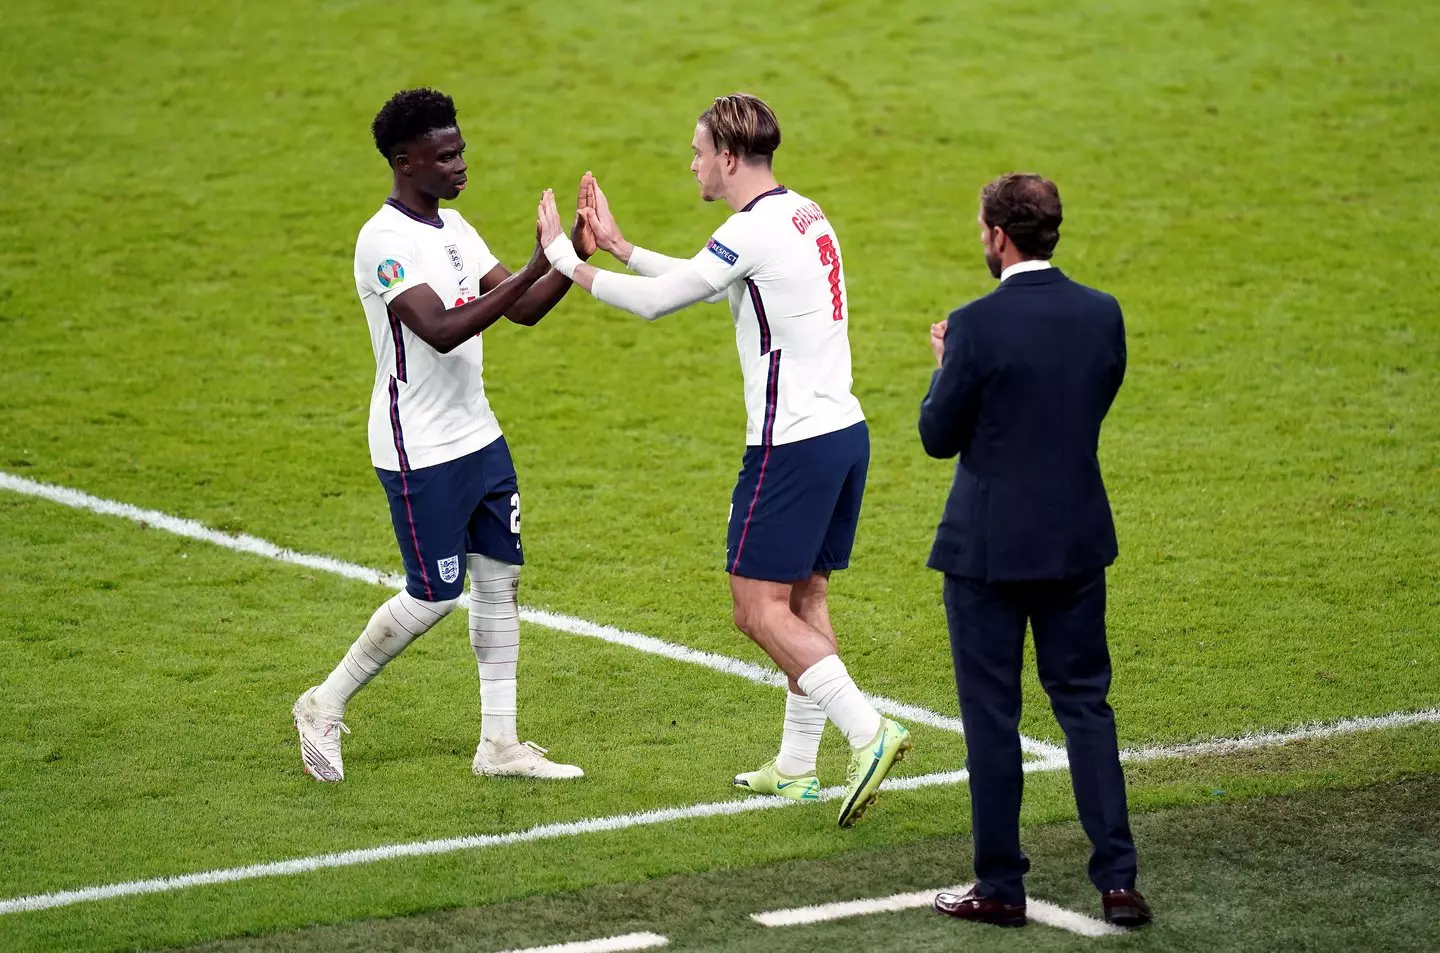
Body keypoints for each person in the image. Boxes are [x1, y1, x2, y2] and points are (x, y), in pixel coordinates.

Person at [533, 93, 911, 828]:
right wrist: (620, 247)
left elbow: (658, 304)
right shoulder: (800, 212)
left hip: (789, 445)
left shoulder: (753, 229)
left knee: (755, 606)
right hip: (842, 434)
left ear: (730, 159)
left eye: (700, 151)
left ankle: (869, 731)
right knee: (804, 599)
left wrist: (561, 258)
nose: (693, 163)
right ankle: (799, 769)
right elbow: (713, 277)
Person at [293, 87, 593, 783]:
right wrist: (532, 261)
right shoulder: (383, 242)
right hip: (417, 447)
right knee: (432, 593)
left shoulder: (455, 230)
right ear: (405, 161)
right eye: (446, 154)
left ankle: (499, 744)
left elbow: (522, 312)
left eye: (461, 149)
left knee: (499, 582)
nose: (462, 163)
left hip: (479, 436)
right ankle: (322, 702)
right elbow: (440, 327)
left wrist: (573, 253)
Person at [920, 173, 1151, 927]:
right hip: (1077, 539)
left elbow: (937, 436)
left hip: (987, 554)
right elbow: (1096, 396)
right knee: (1086, 707)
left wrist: (944, 367)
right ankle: (1119, 881)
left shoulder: (974, 326)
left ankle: (999, 884)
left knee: (992, 719)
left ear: (997, 236)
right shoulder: (1102, 314)